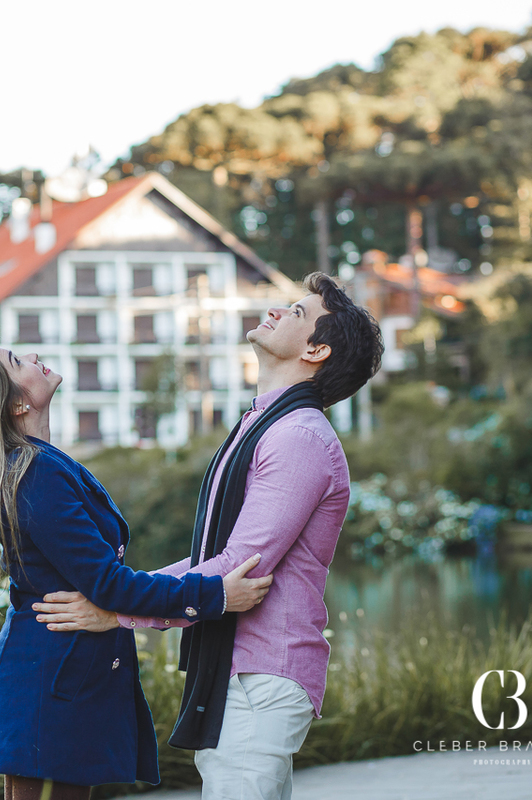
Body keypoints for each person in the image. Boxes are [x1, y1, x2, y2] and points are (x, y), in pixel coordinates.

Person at [34, 272, 384, 800]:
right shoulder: (262, 425)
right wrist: (125, 595)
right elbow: (213, 557)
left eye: (296, 311)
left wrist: (116, 608)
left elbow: (240, 566)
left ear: (316, 349)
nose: (277, 310)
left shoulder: (298, 437)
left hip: (263, 673)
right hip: (239, 673)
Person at [0, 337, 273, 800]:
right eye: (17, 362)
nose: (34, 358)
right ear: (17, 403)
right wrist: (216, 596)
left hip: (54, 679)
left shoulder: (36, 464)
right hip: (49, 689)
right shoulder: (33, 475)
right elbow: (108, 584)